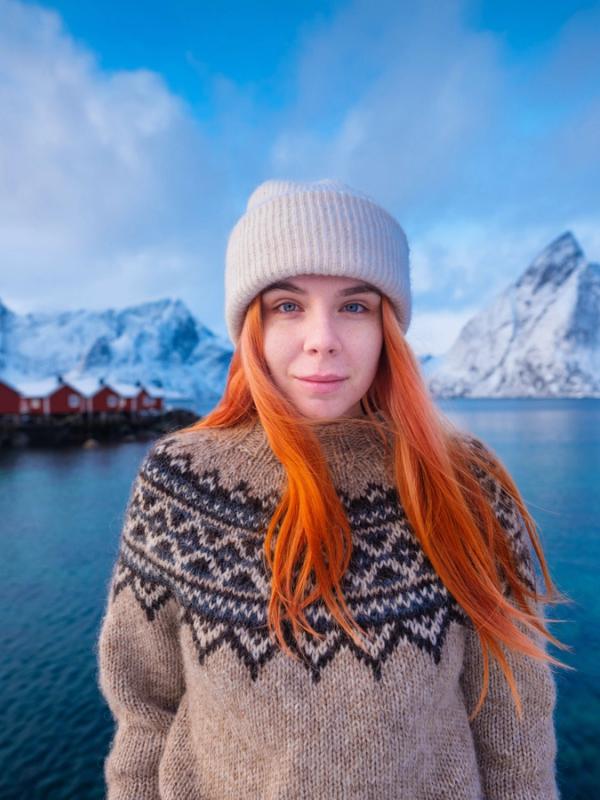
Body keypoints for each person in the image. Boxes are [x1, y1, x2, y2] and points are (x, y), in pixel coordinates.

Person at [96, 178, 571, 800]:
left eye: (354, 306)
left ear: (387, 329)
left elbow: (515, 726)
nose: (322, 338)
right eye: (287, 306)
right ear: (252, 328)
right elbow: (144, 713)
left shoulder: (465, 486)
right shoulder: (181, 484)